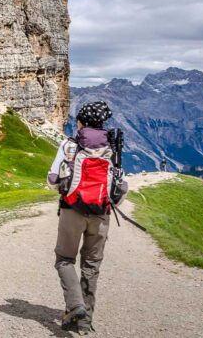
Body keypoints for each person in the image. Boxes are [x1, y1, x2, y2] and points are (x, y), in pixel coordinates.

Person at [47, 101, 126, 335]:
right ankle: (84, 323)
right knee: (91, 266)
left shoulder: (70, 145)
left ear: (81, 122)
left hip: (72, 210)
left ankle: (75, 305)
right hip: (101, 215)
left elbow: (52, 180)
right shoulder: (112, 147)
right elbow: (120, 186)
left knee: (64, 259)